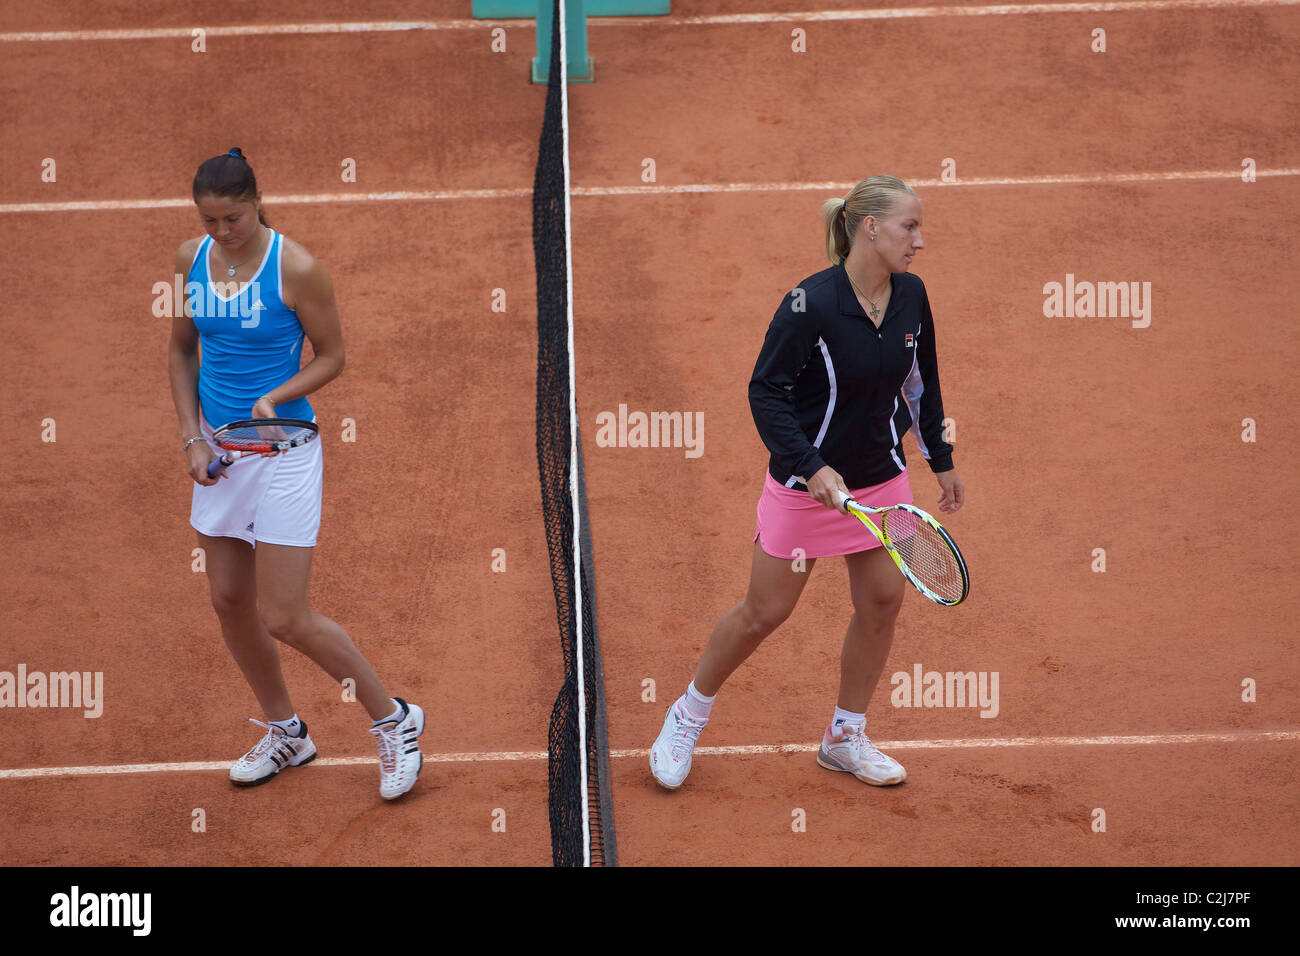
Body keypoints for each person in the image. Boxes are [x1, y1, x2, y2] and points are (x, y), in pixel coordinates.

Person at [650, 175, 964, 790]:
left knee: (881, 602)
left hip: (878, 479)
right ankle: (687, 714)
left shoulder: (911, 296)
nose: (919, 241)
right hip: (805, 484)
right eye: (910, 227)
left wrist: (940, 456)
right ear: (870, 228)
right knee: (765, 612)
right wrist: (811, 465)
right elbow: (765, 392)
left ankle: (845, 736)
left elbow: (921, 380)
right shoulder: (809, 305)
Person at [168, 147, 424, 800]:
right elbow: (180, 351)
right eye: (210, 222)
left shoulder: (297, 267)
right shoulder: (189, 262)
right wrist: (193, 438)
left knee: (284, 613)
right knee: (228, 598)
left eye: (232, 219)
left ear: (257, 203)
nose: (221, 233)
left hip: (286, 451)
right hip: (222, 456)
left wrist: (278, 396)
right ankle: (288, 732)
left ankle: (394, 721)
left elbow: (333, 355)